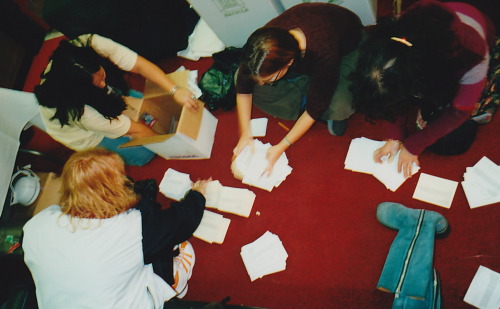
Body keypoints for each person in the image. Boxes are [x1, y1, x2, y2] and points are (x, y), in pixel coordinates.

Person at [22, 149, 210, 308]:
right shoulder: (131, 228)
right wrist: (197, 194)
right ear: (112, 189)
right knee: (176, 245)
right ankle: (174, 285)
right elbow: (182, 221)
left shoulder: (35, 226)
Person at [350, 0, 496, 178]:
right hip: (429, 65)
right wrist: (395, 135)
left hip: (466, 56)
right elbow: (396, 90)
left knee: (451, 141)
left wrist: (414, 146)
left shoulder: (472, 53)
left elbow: (459, 112)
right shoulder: (397, 33)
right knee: (423, 116)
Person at [233, 3, 365, 172]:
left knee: (341, 106)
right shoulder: (258, 49)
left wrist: (281, 146)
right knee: (241, 78)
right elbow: (244, 90)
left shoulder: (322, 50)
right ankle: (310, 94)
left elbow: (314, 109)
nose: (264, 82)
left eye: (270, 79)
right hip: (306, 65)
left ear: (289, 62)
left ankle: (315, 97)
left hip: (347, 49)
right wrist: (245, 133)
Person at [34, 34, 200, 166]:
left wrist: (174, 90)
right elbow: (135, 130)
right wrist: (167, 144)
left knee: (146, 106)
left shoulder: (92, 44)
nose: (103, 84)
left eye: (101, 76)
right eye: (96, 84)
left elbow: (140, 65)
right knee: (145, 154)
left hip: (90, 98)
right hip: (86, 133)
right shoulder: (79, 112)